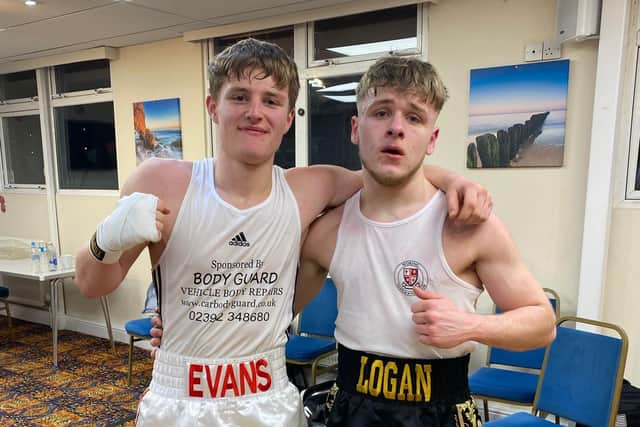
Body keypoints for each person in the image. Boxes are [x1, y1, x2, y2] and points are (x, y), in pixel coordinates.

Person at [75, 38, 491, 427]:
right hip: (181, 392)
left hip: (268, 392)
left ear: (288, 117)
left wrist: (454, 180)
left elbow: (388, 173)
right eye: (240, 96)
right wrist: (103, 242)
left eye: (271, 101)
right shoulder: (161, 180)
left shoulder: (309, 188)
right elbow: (92, 285)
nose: (255, 111)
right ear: (213, 107)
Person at [293, 56, 557, 426]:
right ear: (356, 128)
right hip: (352, 406)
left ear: (432, 139)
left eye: (414, 117)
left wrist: (470, 325)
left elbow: (543, 323)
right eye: (381, 112)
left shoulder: (469, 225)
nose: (396, 128)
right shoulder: (327, 230)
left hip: (440, 408)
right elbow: (277, 312)